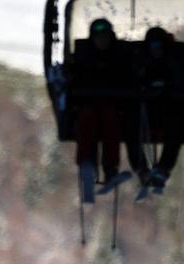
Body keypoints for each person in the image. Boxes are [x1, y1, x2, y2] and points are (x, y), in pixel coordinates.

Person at [71, 18, 132, 204]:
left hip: (111, 108)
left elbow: (127, 81)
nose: (102, 42)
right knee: (87, 120)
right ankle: (87, 165)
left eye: (105, 37)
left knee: (110, 121)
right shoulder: (83, 59)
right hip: (88, 107)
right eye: (98, 38)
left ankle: (110, 168)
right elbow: (73, 81)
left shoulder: (119, 59)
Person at [122, 26, 183, 196]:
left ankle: (163, 169)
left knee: (175, 127)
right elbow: (132, 82)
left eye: (159, 47)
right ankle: (142, 169)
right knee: (132, 127)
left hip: (167, 110)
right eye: (153, 47)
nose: (156, 51)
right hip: (145, 111)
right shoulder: (141, 62)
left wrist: (166, 89)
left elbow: (179, 83)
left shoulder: (172, 62)